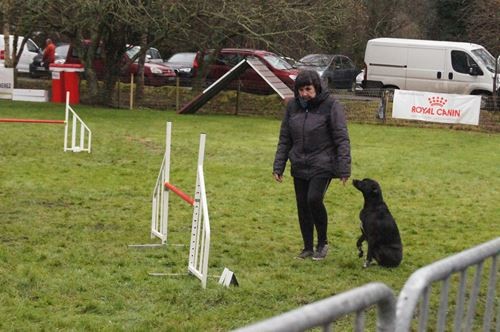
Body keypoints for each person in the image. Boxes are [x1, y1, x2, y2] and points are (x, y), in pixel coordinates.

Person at [273, 69, 351, 261]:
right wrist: (279, 165)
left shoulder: (331, 106)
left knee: (313, 199)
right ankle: (307, 247)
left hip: (323, 163)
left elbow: (342, 138)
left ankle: (322, 243)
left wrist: (344, 167)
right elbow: (285, 138)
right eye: (300, 90)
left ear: (316, 87)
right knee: (302, 205)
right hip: (299, 163)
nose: (304, 94)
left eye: (308, 89)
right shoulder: (292, 107)